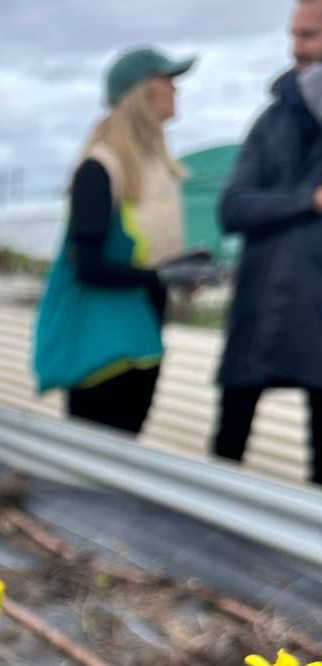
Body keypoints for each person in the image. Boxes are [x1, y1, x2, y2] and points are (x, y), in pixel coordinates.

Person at [34, 48, 202, 435]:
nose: (176, 90)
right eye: (168, 81)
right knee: (99, 461)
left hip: (140, 340)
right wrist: (160, 276)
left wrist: (180, 269)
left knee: (124, 449)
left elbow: (143, 256)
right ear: (142, 93)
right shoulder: (101, 168)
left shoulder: (154, 169)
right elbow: (88, 266)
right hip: (101, 350)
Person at [214, 0, 322, 485]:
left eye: (310, 36)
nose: (296, 48)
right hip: (261, 311)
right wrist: (308, 200)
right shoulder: (271, 121)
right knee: (225, 450)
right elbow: (233, 208)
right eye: (294, 35)